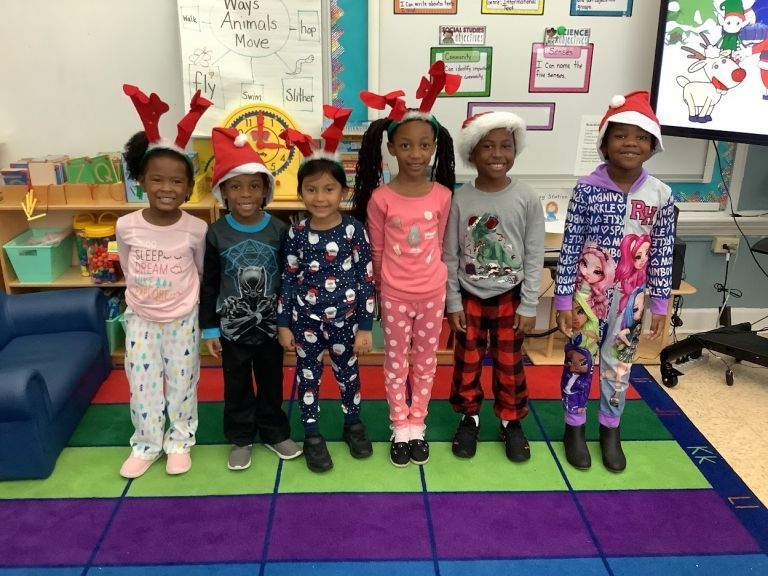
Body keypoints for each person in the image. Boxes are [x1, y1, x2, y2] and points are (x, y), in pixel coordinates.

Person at [554, 91, 676, 472]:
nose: (630, 143)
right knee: (579, 361)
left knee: (619, 364)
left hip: (631, 301)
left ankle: (610, 428)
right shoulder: (587, 189)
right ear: (605, 142)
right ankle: (574, 427)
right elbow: (571, 244)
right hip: (587, 297)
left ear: (652, 145)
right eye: (621, 135)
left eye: (640, 137)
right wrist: (562, 299)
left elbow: (663, 251)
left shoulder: (661, 195)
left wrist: (659, 302)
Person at [353, 61, 460, 467]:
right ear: (391, 147)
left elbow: (446, 248)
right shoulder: (380, 198)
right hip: (396, 296)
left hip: (432, 294)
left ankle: (420, 422)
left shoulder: (443, 196)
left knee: (426, 361)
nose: (416, 153)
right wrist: (378, 296)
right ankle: (400, 424)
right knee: (396, 361)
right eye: (406, 145)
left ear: (434, 147)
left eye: (424, 145)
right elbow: (377, 252)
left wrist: (450, 297)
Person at [117, 84, 211, 479]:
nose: (167, 189)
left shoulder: (196, 229)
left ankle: (180, 440)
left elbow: (202, 270)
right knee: (142, 384)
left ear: (189, 188)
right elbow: (126, 264)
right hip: (141, 318)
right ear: (141, 180)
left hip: (181, 318)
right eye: (157, 180)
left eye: (176, 182)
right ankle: (147, 443)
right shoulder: (127, 225)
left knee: (182, 382)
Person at [277, 107, 376, 473]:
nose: (320, 197)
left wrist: (365, 327)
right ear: (301, 191)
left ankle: (353, 425)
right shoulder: (296, 233)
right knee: (308, 376)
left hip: (347, 324)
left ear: (343, 191)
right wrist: (283, 323)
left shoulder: (354, 231)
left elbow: (367, 279)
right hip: (305, 322)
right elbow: (288, 279)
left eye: (329, 189)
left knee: (348, 375)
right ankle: (313, 435)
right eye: (312, 189)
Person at [442, 111, 545, 462]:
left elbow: (534, 255)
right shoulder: (459, 199)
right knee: (467, 363)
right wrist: (452, 302)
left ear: (516, 150)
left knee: (509, 363)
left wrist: (529, 305)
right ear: (472, 153)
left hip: (510, 298)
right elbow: (450, 254)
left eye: (505, 146)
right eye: (487, 146)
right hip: (469, 296)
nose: (497, 153)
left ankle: (510, 421)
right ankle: (469, 418)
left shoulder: (527, 198)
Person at [199, 127, 302, 471]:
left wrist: (288, 323)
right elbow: (210, 284)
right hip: (233, 330)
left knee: (273, 381)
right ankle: (241, 436)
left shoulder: (279, 230)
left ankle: (274, 431)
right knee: (237, 384)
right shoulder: (216, 233)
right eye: (236, 186)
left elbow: (289, 280)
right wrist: (210, 330)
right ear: (224, 191)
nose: (245, 194)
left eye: (254, 186)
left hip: (272, 328)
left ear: (265, 192)